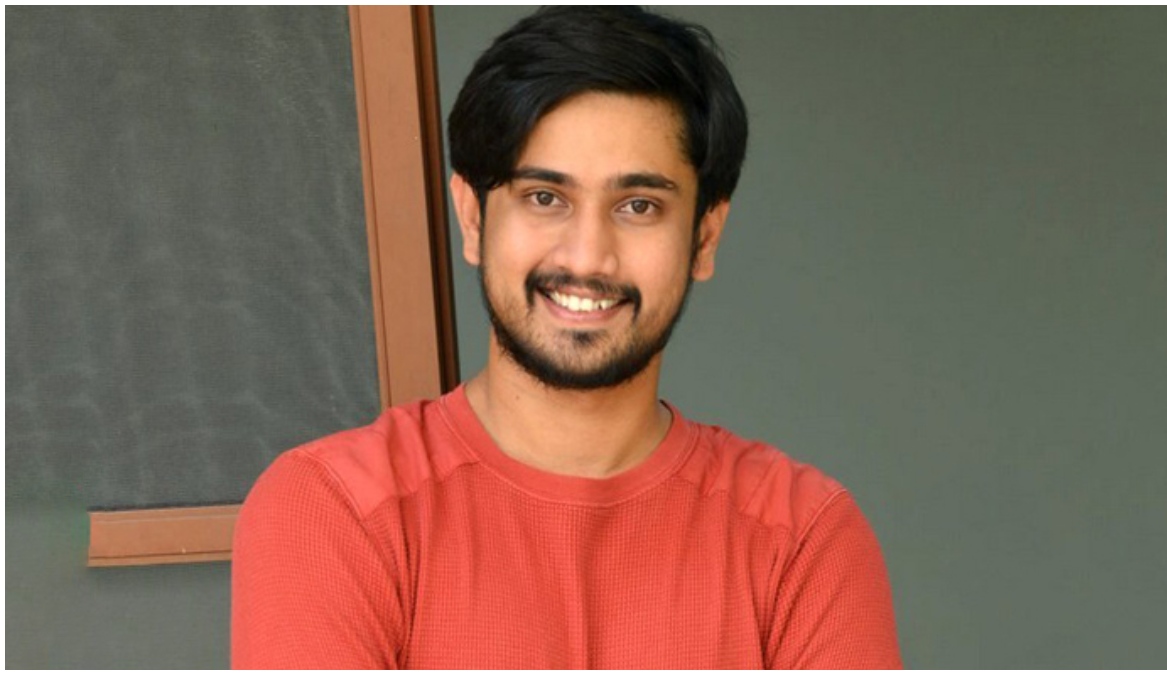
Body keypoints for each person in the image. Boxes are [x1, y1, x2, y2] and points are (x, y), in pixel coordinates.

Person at [231, 6, 901, 669]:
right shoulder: (335, 509)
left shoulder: (802, 538)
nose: (587, 257)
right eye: (544, 198)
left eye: (638, 206)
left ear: (704, 236)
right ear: (472, 218)